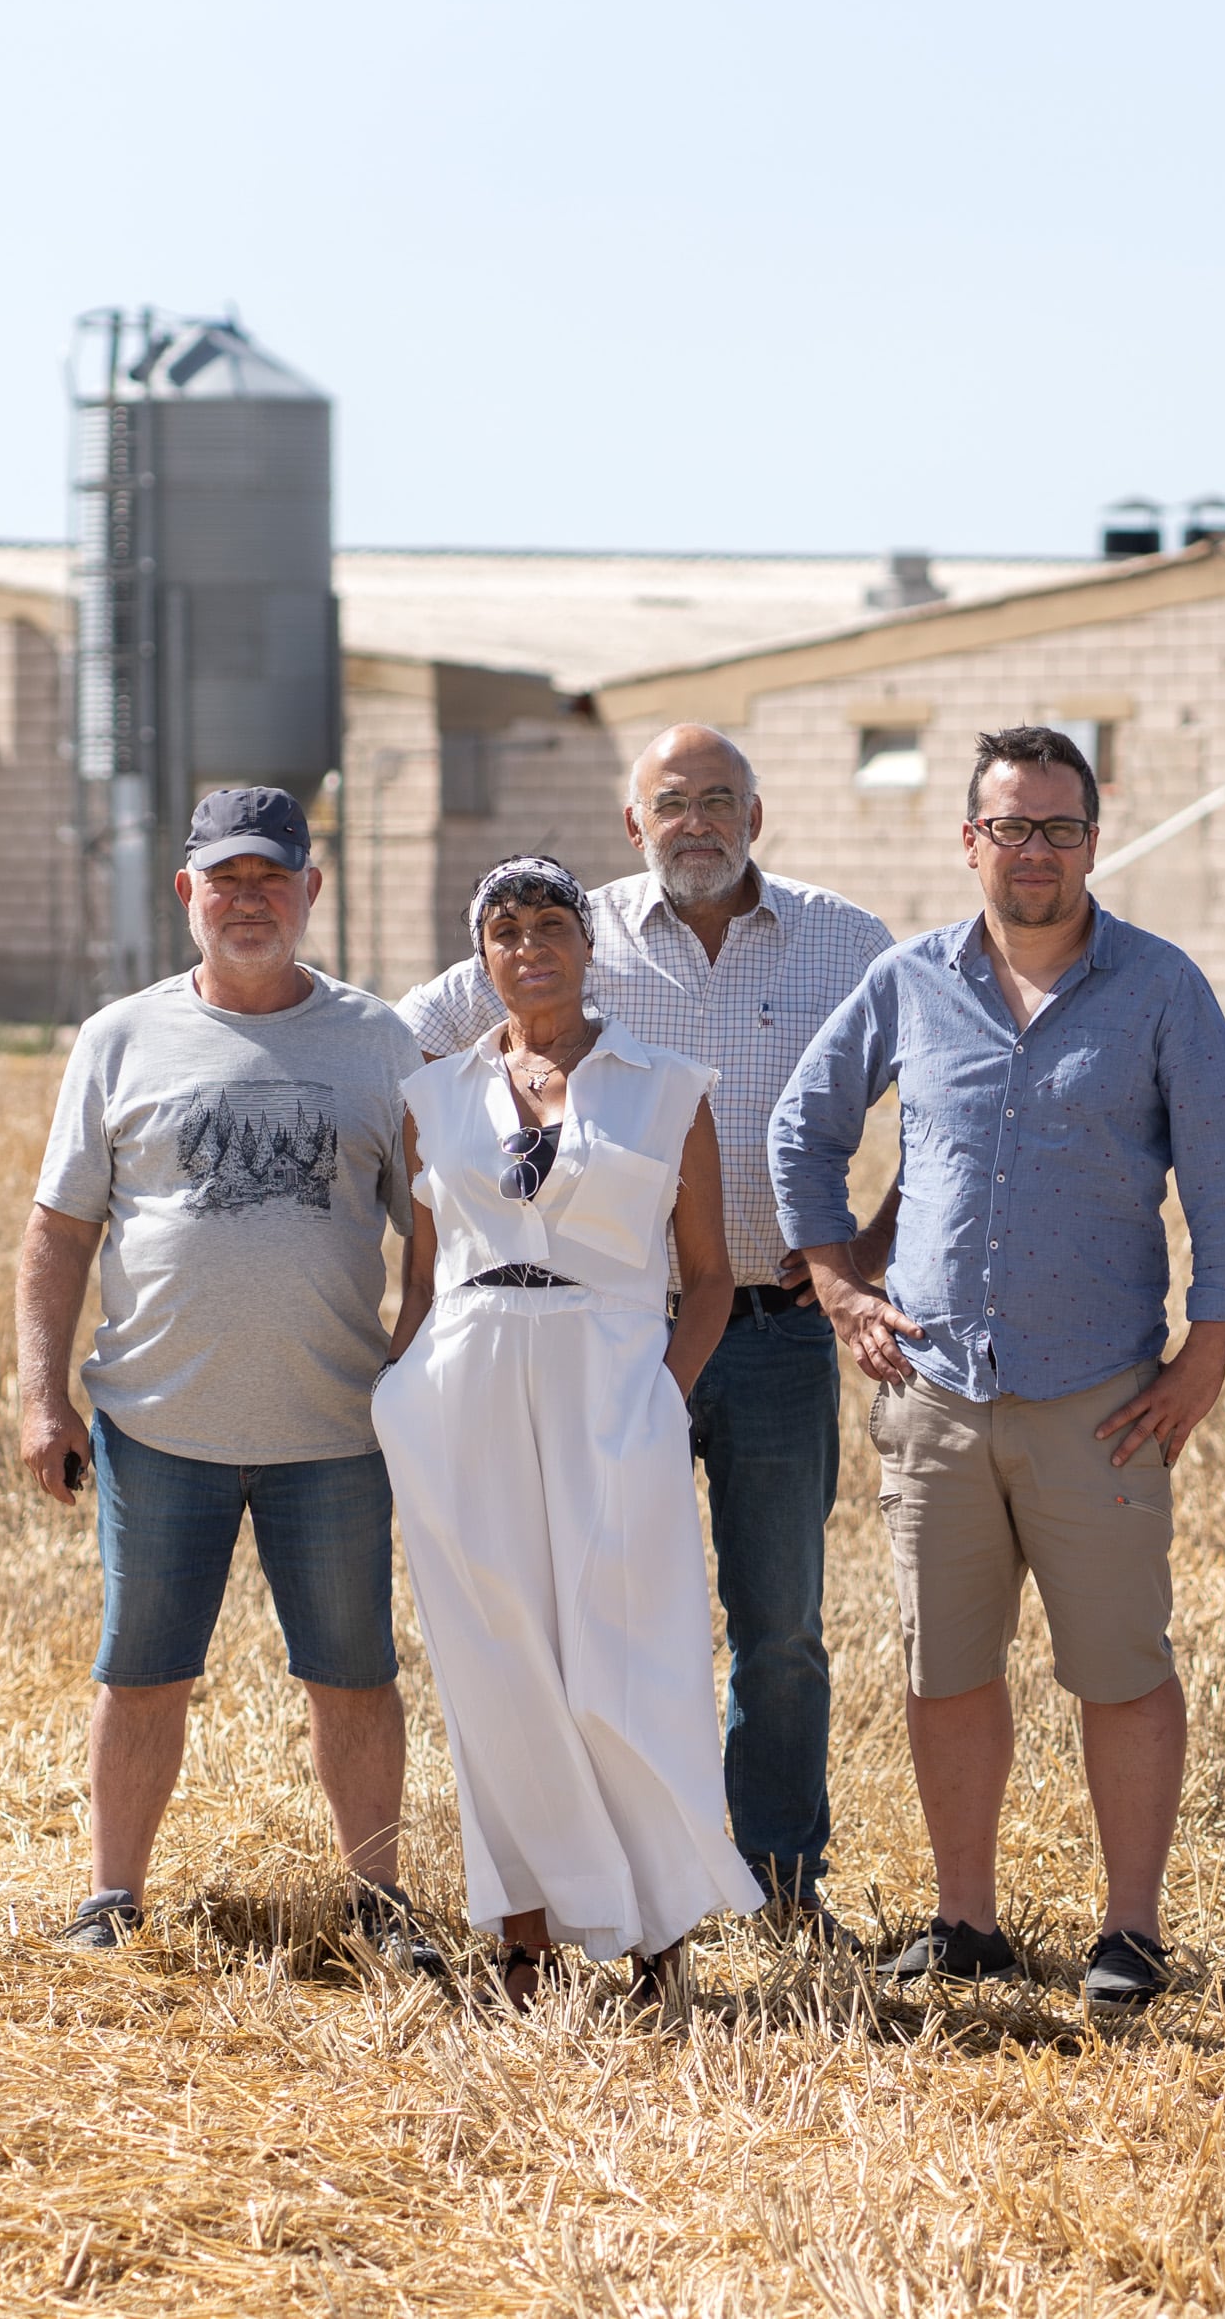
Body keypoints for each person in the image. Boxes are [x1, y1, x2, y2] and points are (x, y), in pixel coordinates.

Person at [769, 724, 1225, 2012]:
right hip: (934, 1397)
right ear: (969, 841)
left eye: (1059, 827)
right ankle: (965, 1922)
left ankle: (1132, 1932)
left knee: (1120, 1668)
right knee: (944, 1671)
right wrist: (838, 1286)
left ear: (1094, 843)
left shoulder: (1161, 989)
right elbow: (803, 1125)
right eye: (1011, 825)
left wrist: (1205, 1354)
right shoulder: (908, 982)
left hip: (1101, 1402)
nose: (1035, 850)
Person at [397, 725, 893, 1941]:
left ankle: (774, 1885)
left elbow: (943, 1097)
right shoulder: (569, 926)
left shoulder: (846, 940)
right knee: (581, 1624)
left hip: (764, 1324)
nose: (696, 822)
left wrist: (855, 1256)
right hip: (571, 1350)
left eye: (720, 800)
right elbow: (405, 1046)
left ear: (757, 817)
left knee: (775, 1626)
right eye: (671, 803)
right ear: (634, 825)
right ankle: (582, 1888)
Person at [15, 785, 433, 1965]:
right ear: (186, 892)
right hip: (157, 1426)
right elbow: (58, 1232)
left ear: (313, 891)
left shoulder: (377, 1042)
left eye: (274, 879)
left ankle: (378, 1905)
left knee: (353, 1675)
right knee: (141, 1671)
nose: (250, 900)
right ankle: (111, 1898)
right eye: (226, 880)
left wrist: (413, 1360)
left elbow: (436, 1226)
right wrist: (43, 1398)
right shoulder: (120, 1038)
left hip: (337, 1432)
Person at [374, 857, 764, 2009]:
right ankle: (525, 1939)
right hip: (463, 1397)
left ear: (589, 946)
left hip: (613, 1391)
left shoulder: (666, 1086)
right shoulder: (434, 1097)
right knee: (496, 1664)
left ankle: (657, 1939)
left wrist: (659, 1401)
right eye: (503, 930)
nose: (528, 945)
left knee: (628, 1657)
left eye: (551, 924)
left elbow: (707, 1282)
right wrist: (399, 1392)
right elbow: (426, 1273)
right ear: (478, 954)